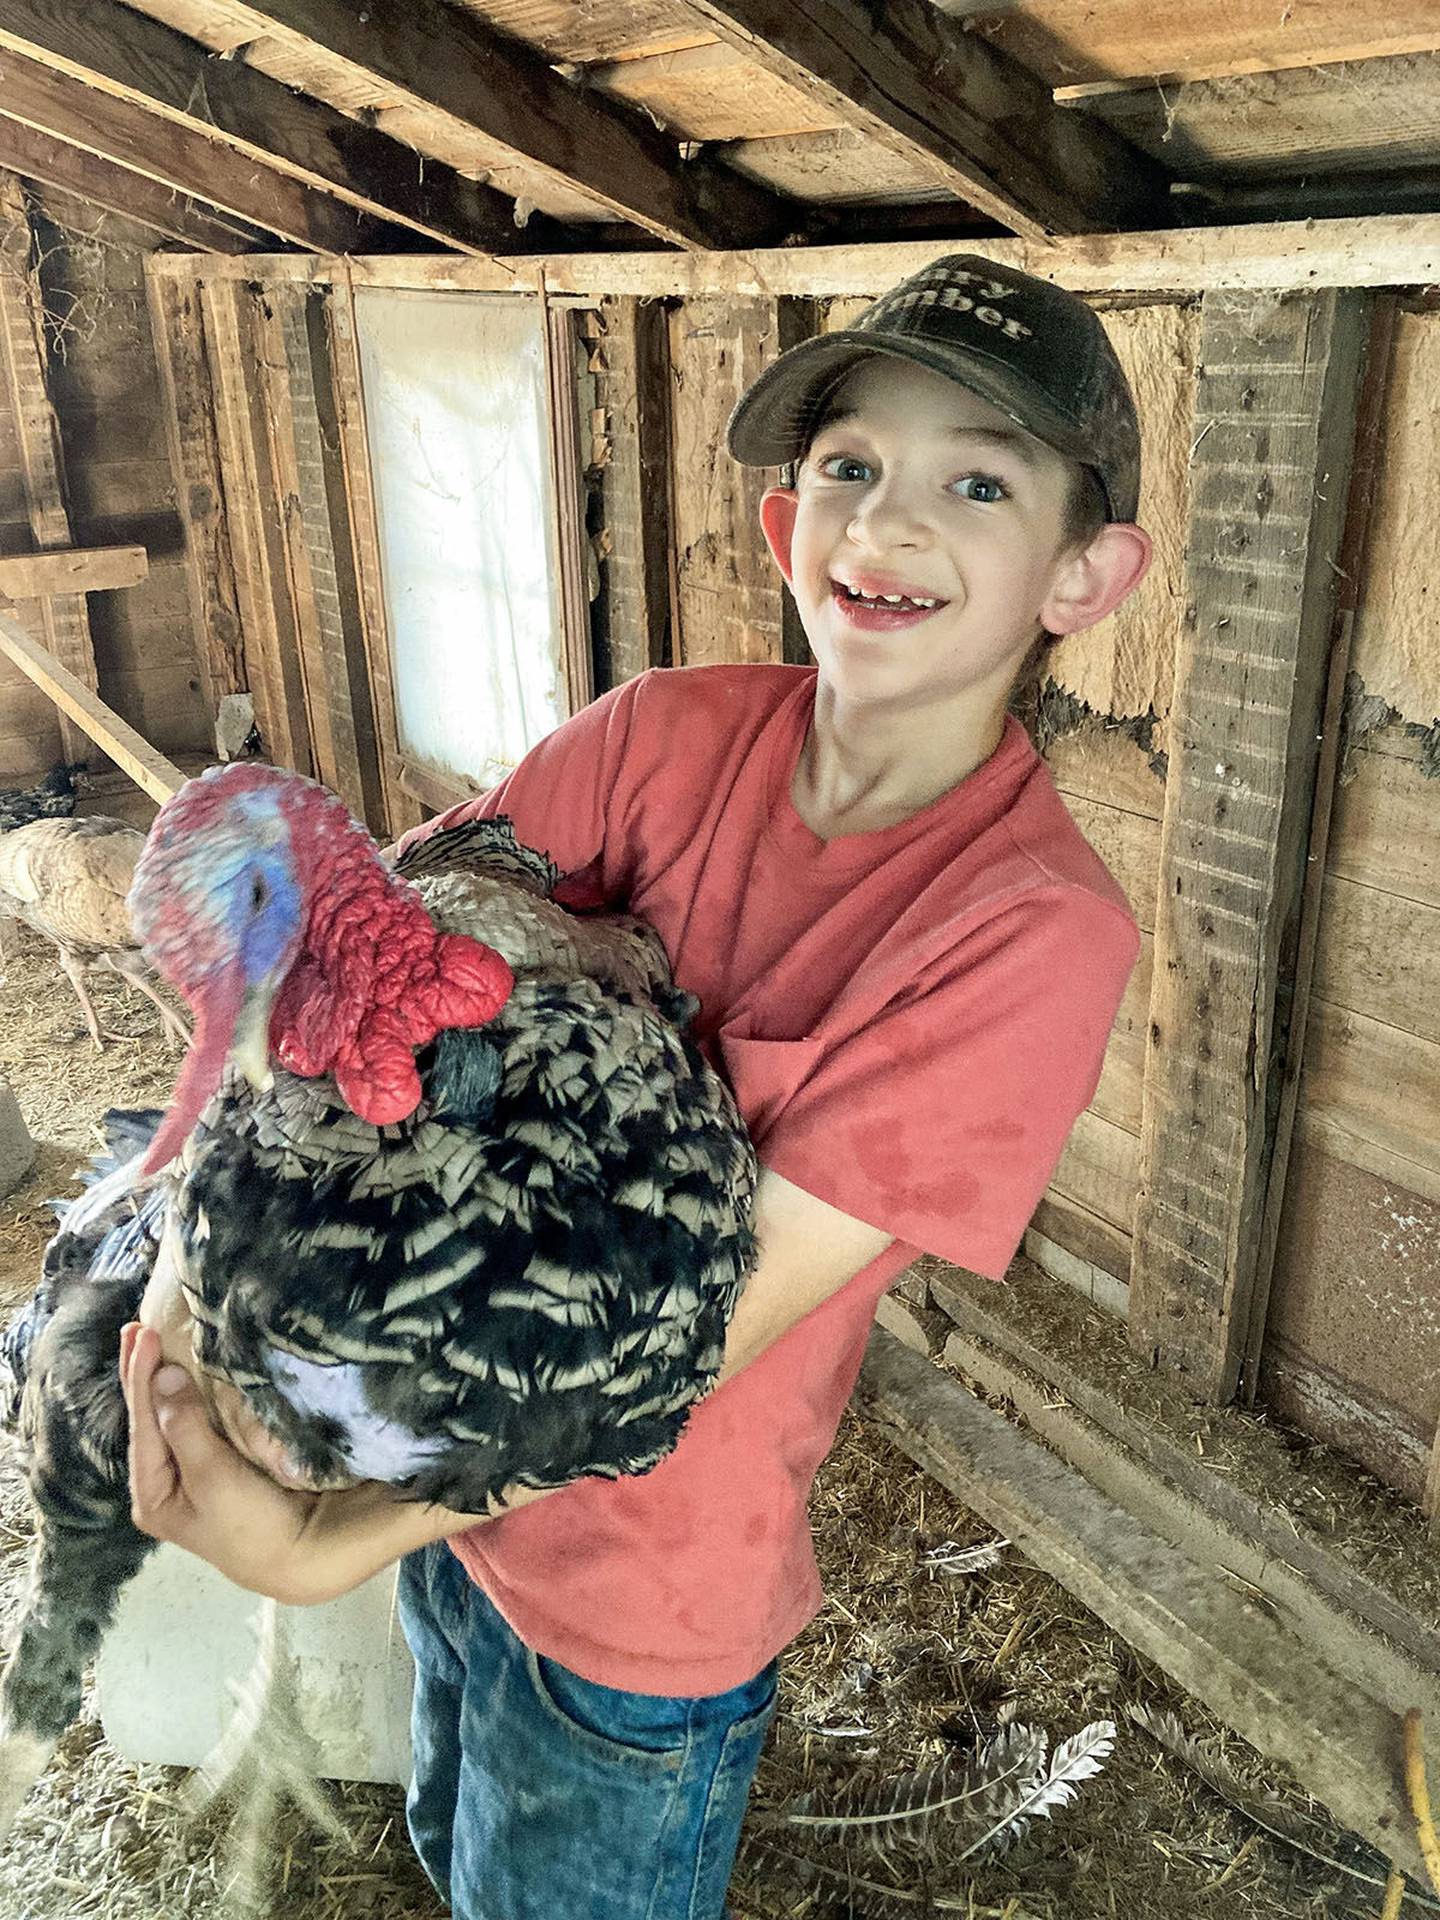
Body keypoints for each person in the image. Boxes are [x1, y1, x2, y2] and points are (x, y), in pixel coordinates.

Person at [121, 253, 1153, 1920]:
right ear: (783, 528)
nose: (886, 528)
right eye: (848, 470)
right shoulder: (661, 735)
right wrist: (171, 1325)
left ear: (1086, 573)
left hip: (638, 1602)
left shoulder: (1033, 936)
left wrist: (328, 1539)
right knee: (448, 1843)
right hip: (443, 1524)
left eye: (977, 481)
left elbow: (683, 1332)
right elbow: (350, 982)